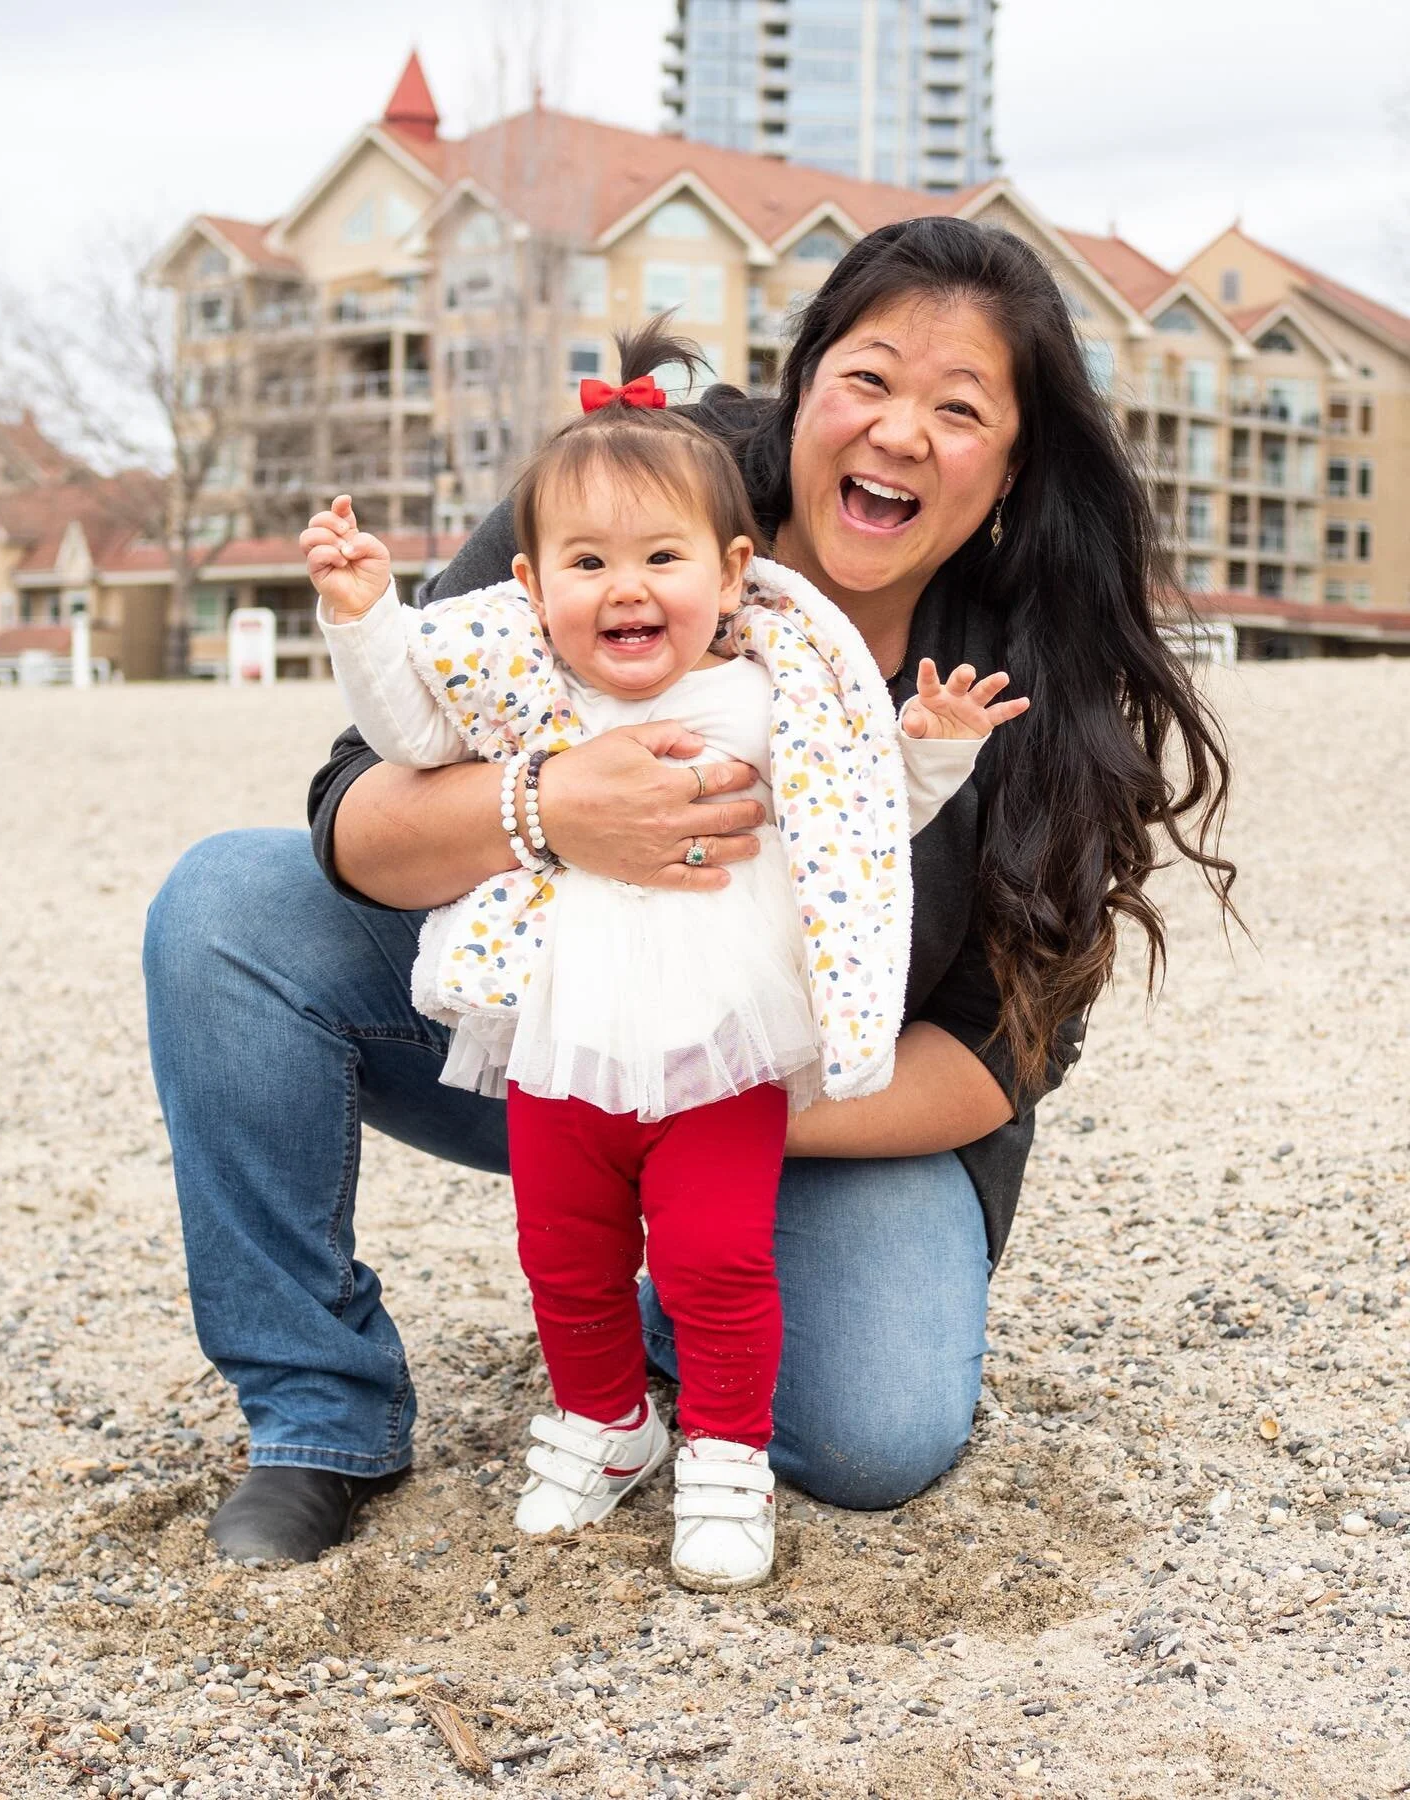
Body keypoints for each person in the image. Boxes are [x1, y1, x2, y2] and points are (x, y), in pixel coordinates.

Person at [144, 216, 1235, 1565]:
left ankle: (676, 1294)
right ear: (805, 381)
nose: (898, 432)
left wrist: (709, 1090)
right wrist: (549, 808)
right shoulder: (622, 491)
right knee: (226, 911)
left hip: (818, 1103)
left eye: (959, 410)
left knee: (872, 1434)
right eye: (870, 378)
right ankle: (319, 1415)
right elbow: (355, 815)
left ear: (1008, 471)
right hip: (553, 1036)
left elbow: (1004, 1048)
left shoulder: (1021, 675)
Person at [301, 322, 1028, 1588]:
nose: (625, 589)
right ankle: (606, 1424)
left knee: (715, 1259)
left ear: (733, 573)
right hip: (561, 1037)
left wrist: (931, 748)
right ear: (534, 588)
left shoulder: (763, 696)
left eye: (661, 559)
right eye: (587, 563)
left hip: (722, 1048)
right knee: (563, 1253)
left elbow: (860, 812)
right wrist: (365, 616)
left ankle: (727, 1463)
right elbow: (403, 723)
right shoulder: (531, 690)